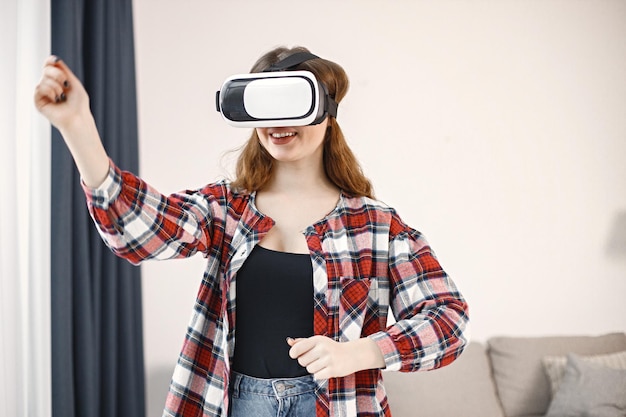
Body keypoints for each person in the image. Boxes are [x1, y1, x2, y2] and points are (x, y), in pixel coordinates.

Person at [35, 46, 470, 417]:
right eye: (265, 105)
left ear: (327, 113)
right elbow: (137, 232)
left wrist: (360, 352)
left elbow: (448, 320)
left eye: (292, 102)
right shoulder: (225, 208)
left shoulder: (376, 226)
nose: (277, 123)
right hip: (234, 402)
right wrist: (77, 127)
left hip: (336, 404)